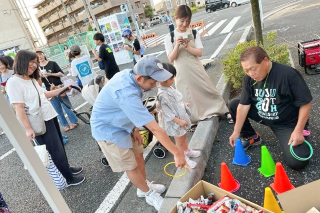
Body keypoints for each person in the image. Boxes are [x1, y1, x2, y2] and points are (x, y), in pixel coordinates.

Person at [90, 55, 189, 211]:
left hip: (124, 125)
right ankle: (148, 193)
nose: (155, 84)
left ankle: (142, 187)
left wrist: (134, 128)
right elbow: (155, 128)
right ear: (139, 77)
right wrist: (177, 152)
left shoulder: (130, 75)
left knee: (138, 155)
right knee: (131, 166)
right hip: (108, 130)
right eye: (152, 81)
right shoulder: (126, 92)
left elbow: (126, 109)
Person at [6, 50, 85, 186]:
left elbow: (45, 94)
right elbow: (18, 108)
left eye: (35, 62)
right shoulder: (13, 82)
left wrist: (63, 89)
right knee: (54, 150)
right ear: (21, 62)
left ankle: (66, 169)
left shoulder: (30, 79)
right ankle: (68, 178)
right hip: (38, 122)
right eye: (31, 62)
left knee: (59, 146)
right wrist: (28, 128)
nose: (34, 65)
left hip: (49, 115)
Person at [228, 46, 312, 170]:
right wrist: (236, 132)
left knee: (297, 162)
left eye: (253, 69)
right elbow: (244, 105)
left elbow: (305, 103)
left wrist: (298, 130)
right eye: (246, 70)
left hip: (287, 124)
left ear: (266, 61)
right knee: (234, 104)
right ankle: (251, 136)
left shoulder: (288, 74)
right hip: (263, 114)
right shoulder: (249, 79)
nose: (251, 74)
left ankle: (301, 134)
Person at [164, 5, 231, 131]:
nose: (184, 24)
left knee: (207, 87)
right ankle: (192, 120)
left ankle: (223, 109)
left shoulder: (194, 32)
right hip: (181, 69)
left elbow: (199, 53)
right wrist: (177, 46)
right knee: (186, 94)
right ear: (175, 18)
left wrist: (187, 46)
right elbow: (171, 58)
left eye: (187, 21)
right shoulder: (170, 37)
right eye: (182, 20)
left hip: (195, 65)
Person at [157, 63, 200, 169]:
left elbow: (175, 102)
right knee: (179, 141)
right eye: (171, 78)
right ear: (163, 79)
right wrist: (178, 121)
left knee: (184, 136)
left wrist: (183, 105)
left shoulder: (168, 88)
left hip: (180, 117)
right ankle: (183, 158)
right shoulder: (162, 94)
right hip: (175, 122)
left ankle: (187, 151)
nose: (173, 80)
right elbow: (167, 113)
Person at [36, 48, 79, 132]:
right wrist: (40, 76)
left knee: (66, 105)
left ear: (44, 54)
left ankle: (74, 121)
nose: (40, 56)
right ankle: (65, 124)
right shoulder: (37, 69)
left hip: (59, 87)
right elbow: (39, 83)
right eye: (37, 55)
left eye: (40, 54)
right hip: (49, 91)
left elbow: (61, 73)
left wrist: (50, 74)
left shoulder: (52, 63)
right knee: (57, 109)